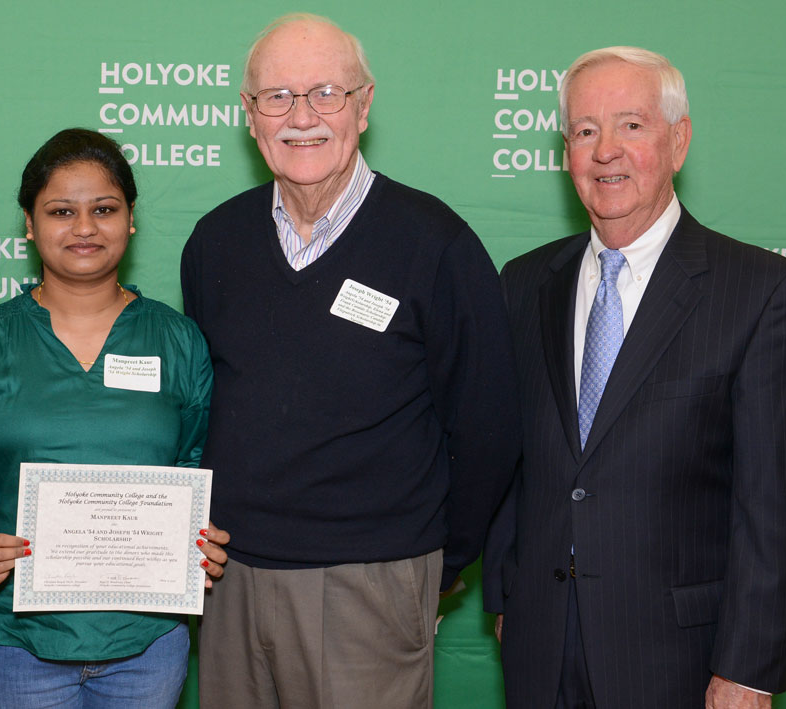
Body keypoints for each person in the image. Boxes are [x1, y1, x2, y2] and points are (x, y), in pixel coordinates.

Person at [180, 13, 520, 709]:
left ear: (363, 106)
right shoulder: (216, 242)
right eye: (276, 96)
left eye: (325, 93)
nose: (300, 117)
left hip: (372, 580)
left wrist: (435, 562)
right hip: (228, 582)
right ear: (248, 115)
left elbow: (487, 425)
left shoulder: (435, 244)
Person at [483, 47, 786, 709]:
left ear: (677, 139)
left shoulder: (761, 291)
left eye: (630, 126)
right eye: (584, 131)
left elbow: (773, 506)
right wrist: (506, 594)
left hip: (682, 661)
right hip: (538, 646)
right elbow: (513, 458)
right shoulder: (523, 284)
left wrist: (747, 670)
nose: (604, 150)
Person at [0, 128, 228, 709]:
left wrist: (200, 540)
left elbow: (194, 463)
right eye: (60, 211)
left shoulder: (178, 339)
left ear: (130, 220)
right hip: (16, 639)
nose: (83, 228)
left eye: (104, 209)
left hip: (146, 641)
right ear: (29, 223)